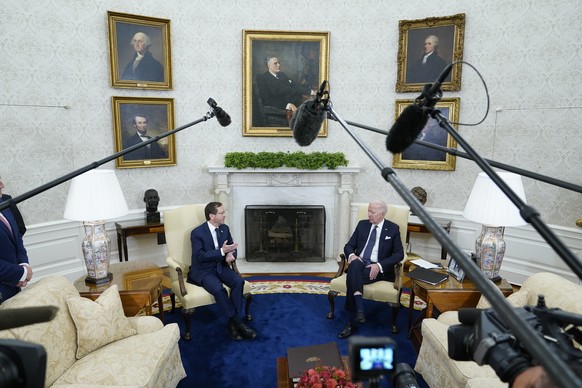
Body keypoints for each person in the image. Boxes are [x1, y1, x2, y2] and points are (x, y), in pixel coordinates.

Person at [187, 202, 256, 340]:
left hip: (220, 266)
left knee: (238, 282)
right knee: (219, 290)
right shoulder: (197, 233)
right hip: (203, 270)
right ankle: (238, 323)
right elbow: (199, 257)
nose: (225, 215)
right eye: (222, 213)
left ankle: (231, 323)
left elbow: (231, 247)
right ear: (212, 216)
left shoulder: (224, 228)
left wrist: (231, 255)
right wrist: (221, 251)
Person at [338, 200, 404, 339]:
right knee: (355, 265)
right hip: (359, 263)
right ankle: (360, 308)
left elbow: (399, 254)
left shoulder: (392, 229)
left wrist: (379, 265)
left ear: (382, 214)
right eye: (368, 211)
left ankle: (351, 323)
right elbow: (349, 245)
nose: (368, 214)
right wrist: (352, 255)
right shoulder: (362, 225)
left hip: (376, 269)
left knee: (352, 277)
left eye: (372, 212)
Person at [0, 176, 33, 304]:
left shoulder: (5, 203)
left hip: (13, 286)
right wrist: (21, 272)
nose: (2, 185)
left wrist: (24, 264)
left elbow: (18, 233)